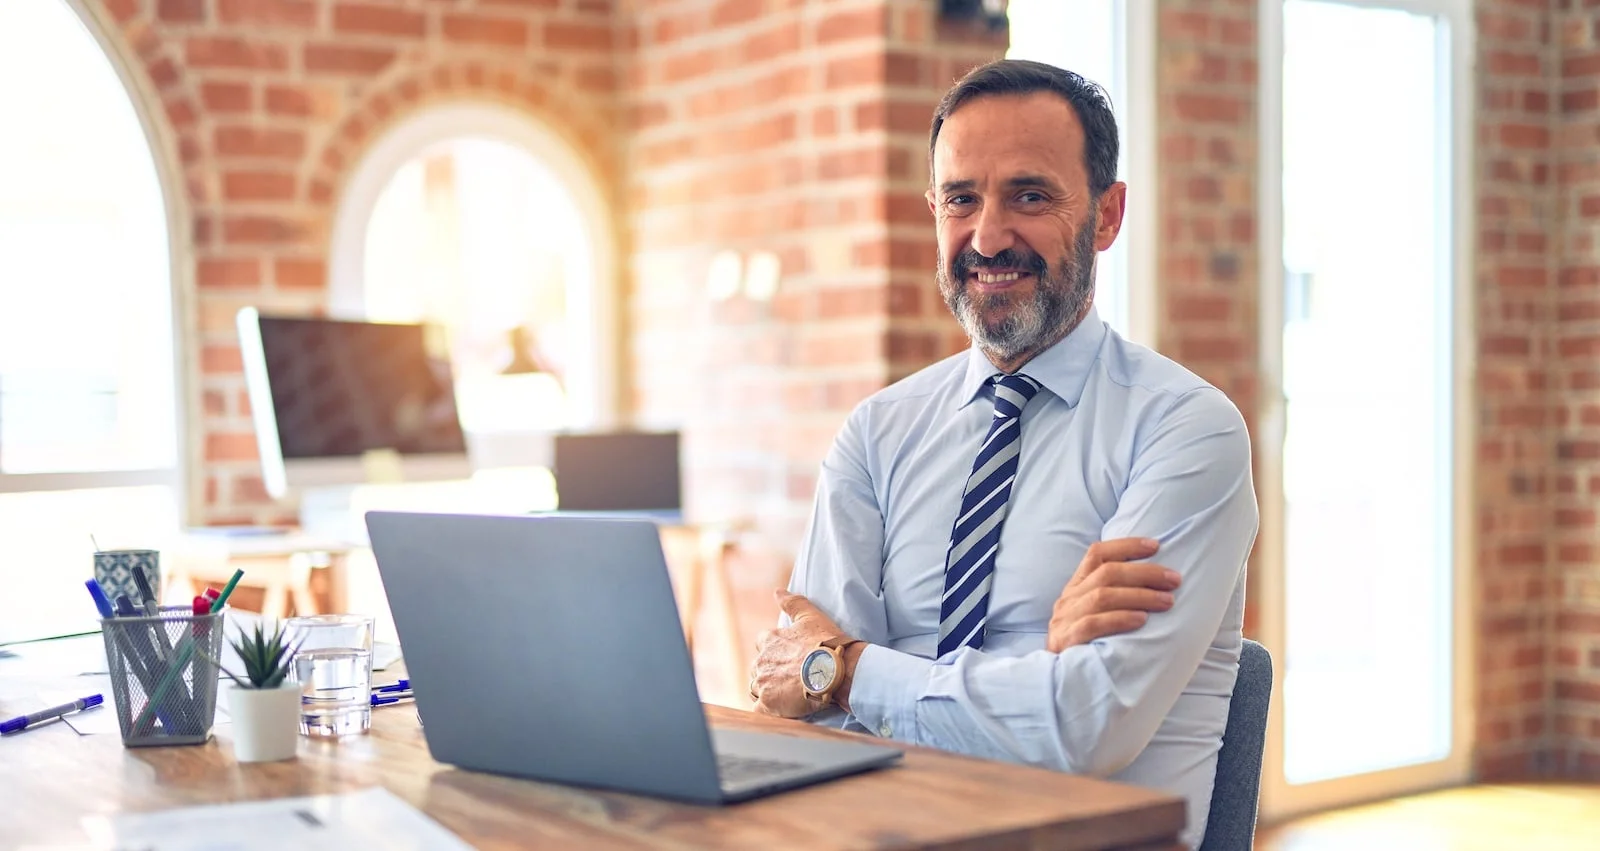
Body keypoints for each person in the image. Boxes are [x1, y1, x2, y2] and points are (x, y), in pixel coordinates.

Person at [746, 59, 1259, 850]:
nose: (988, 237)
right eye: (961, 199)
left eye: (1030, 195)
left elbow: (1082, 725)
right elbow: (811, 717)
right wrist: (1030, 671)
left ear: (1107, 215)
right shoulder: (877, 435)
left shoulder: (1188, 430)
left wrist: (851, 670)